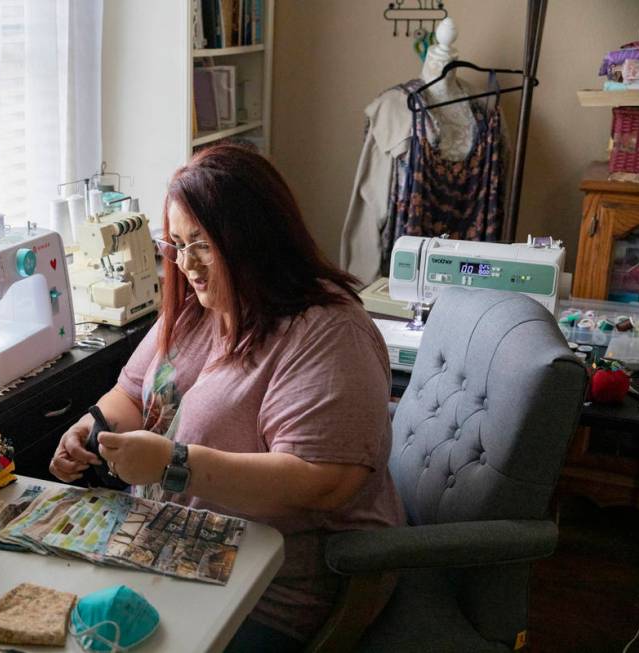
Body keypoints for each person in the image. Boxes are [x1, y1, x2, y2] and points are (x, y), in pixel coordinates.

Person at [50, 144, 405, 650]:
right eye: (175, 244)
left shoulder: (327, 333)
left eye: (203, 245)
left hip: (274, 589)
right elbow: (133, 392)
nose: (187, 264)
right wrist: (92, 426)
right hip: (171, 550)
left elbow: (323, 482)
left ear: (254, 240)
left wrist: (174, 464)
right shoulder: (199, 306)